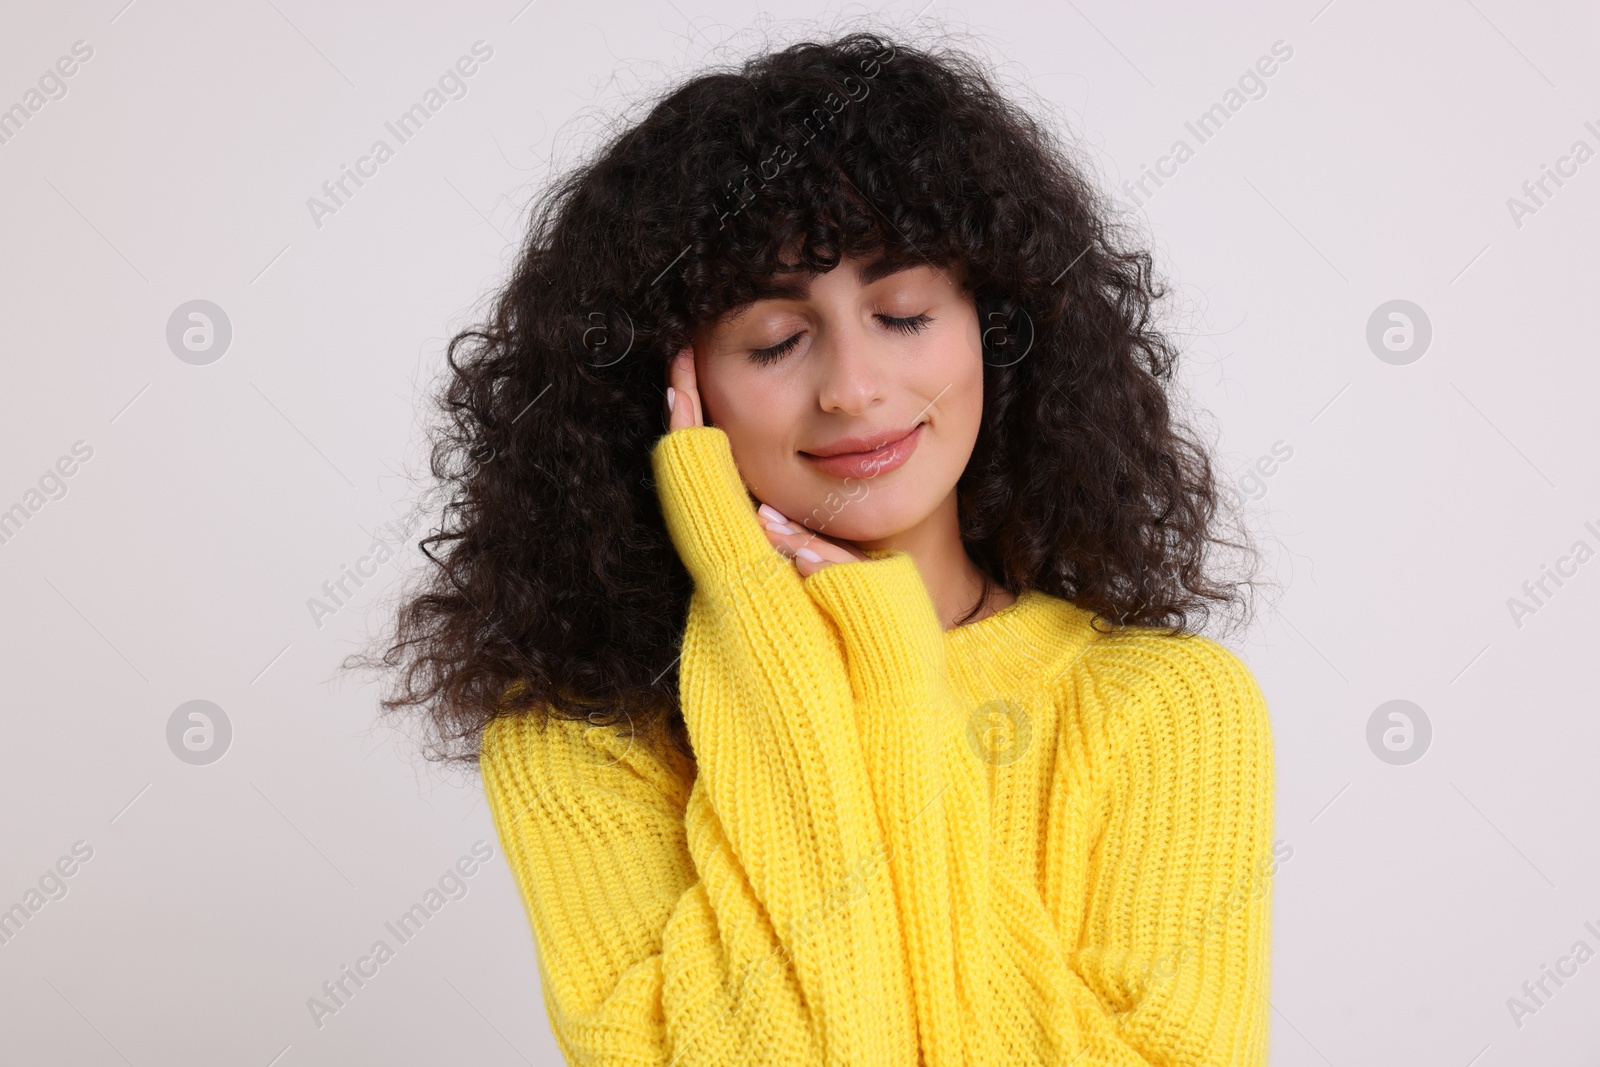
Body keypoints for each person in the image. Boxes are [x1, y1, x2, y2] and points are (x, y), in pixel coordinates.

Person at [366, 27, 1276, 1066]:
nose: (851, 384)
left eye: (901, 313)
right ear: (671, 385)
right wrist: (769, 627)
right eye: (775, 340)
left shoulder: (1167, 706)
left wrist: (886, 668)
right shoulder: (582, 743)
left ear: (996, 327)